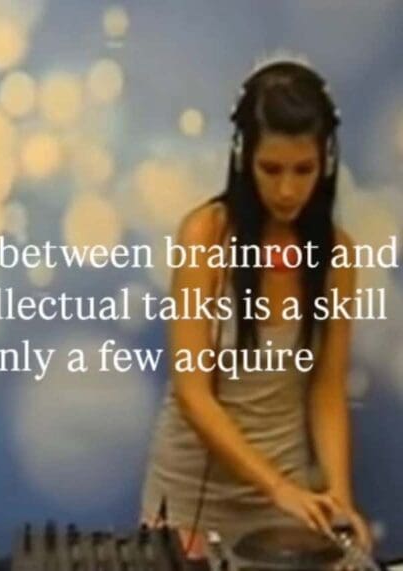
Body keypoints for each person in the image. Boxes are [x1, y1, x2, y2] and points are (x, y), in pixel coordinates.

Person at [139, 58, 373, 558]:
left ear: (327, 162)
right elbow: (193, 394)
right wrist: (277, 487)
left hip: (288, 510)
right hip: (192, 501)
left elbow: (327, 391)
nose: (287, 189)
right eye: (272, 169)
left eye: (303, 170)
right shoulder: (206, 235)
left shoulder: (338, 254)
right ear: (244, 157)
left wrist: (338, 499)